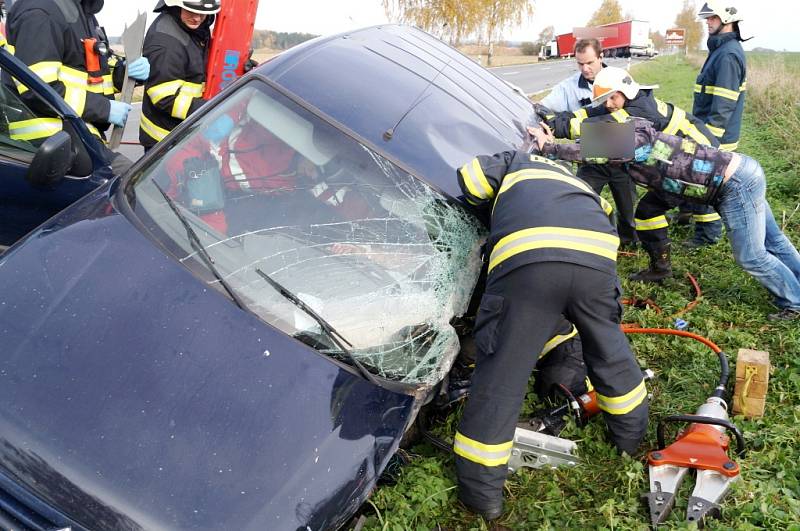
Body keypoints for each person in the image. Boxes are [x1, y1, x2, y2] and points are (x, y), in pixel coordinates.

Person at [453, 148, 649, 520]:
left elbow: (472, 180)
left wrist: (491, 218)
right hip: (596, 261)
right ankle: (628, 439)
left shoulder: (514, 160)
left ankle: (482, 496)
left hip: (530, 258)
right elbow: (607, 218)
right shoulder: (579, 182)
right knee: (610, 350)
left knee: (503, 374)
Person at [530, 115, 800, 322]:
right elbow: (591, 145)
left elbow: (590, 150)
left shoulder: (636, 143)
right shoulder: (635, 134)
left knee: (752, 255)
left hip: (733, 184)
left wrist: (550, 148)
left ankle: (794, 303)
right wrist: (556, 139)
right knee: (774, 241)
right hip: (741, 171)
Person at [541, 66, 720, 282]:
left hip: (698, 158)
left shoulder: (639, 113)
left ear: (624, 92)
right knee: (649, 211)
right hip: (678, 160)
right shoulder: (628, 99)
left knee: (688, 199)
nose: (608, 104)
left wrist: (554, 133)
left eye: (612, 98)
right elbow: (591, 113)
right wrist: (554, 120)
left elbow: (596, 132)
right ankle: (662, 264)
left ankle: (706, 236)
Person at [4, 0, 150, 174]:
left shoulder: (79, 11)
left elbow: (91, 76)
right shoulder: (41, 11)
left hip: (75, 132)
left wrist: (124, 73)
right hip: (49, 141)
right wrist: (104, 108)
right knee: (130, 183)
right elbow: (39, 90)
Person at [541, 38, 638, 248]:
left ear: (601, 58)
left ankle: (629, 242)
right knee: (581, 199)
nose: (585, 69)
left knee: (628, 206)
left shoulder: (619, 80)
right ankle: (581, 241)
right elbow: (545, 107)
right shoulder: (568, 88)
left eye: (590, 63)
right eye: (580, 64)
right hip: (590, 157)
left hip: (621, 158)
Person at [676, 1, 748, 248]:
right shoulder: (720, 49)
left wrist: (710, 140)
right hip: (707, 130)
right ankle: (685, 213)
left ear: (727, 19)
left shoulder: (728, 55)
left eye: (712, 18)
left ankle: (707, 236)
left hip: (716, 135)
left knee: (705, 183)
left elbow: (723, 105)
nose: (707, 22)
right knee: (692, 174)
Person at [140, 0, 220, 152]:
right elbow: (164, 97)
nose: (197, 18)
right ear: (175, 6)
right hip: (165, 141)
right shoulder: (165, 43)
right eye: (191, 11)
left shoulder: (192, 29)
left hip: (184, 132)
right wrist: (211, 110)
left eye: (202, 13)